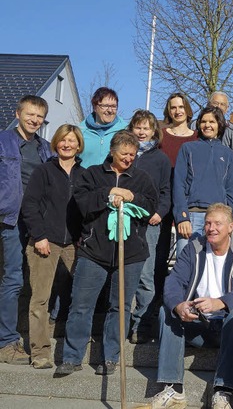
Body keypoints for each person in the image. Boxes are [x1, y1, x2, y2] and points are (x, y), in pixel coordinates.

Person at [54, 130, 157, 377]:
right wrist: (109, 194)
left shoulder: (141, 178)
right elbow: (83, 204)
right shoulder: (92, 175)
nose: (129, 159)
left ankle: (110, 357)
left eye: (132, 154)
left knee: (120, 307)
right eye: (124, 154)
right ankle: (71, 357)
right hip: (93, 251)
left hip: (130, 254)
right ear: (112, 151)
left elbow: (152, 206)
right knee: (81, 305)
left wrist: (133, 196)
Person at [147, 203, 233, 409]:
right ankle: (172, 388)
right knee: (167, 311)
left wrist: (220, 302)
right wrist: (179, 306)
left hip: (229, 325)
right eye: (208, 223)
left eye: (218, 223)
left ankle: (222, 392)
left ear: (230, 227)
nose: (211, 228)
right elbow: (174, 282)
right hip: (198, 323)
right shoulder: (194, 247)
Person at [21, 124, 84, 369]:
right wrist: (39, 236)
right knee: (40, 299)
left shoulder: (85, 174)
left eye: (71, 141)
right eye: (62, 140)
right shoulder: (43, 171)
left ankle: (71, 348)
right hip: (45, 241)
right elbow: (30, 205)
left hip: (74, 244)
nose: (67, 145)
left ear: (79, 145)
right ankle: (40, 352)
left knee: (77, 298)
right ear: (55, 143)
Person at [0, 95, 51, 365]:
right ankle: (6, 342)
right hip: (10, 218)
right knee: (13, 279)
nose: (34, 120)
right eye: (30, 114)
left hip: (36, 220)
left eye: (39, 116)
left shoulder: (45, 148)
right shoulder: (3, 141)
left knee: (35, 280)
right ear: (18, 114)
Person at [127, 111, 172, 344]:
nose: (142, 132)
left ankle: (141, 324)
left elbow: (166, 191)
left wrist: (159, 213)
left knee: (146, 276)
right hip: (124, 222)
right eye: (138, 127)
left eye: (147, 128)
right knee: (123, 274)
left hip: (150, 224)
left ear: (155, 131)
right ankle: (120, 325)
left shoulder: (161, 159)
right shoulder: (124, 154)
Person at [173, 106, 233, 259]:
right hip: (192, 216)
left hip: (218, 219)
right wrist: (182, 217)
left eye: (212, 122)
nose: (207, 125)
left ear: (219, 125)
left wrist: (230, 220)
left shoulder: (228, 154)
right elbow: (178, 184)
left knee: (214, 264)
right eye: (203, 121)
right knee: (186, 265)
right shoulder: (187, 148)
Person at [157, 93, 199, 300]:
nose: (177, 111)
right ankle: (157, 300)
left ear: (188, 109)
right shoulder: (161, 136)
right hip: (163, 199)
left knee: (184, 253)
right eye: (173, 107)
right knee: (160, 253)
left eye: (181, 106)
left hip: (187, 201)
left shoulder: (197, 137)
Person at [79, 87, 127, 167]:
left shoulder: (125, 131)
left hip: (113, 179)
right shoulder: (80, 131)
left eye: (113, 106)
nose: (110, 110)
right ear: (95, 107)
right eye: (105, 106)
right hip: (85, 178)